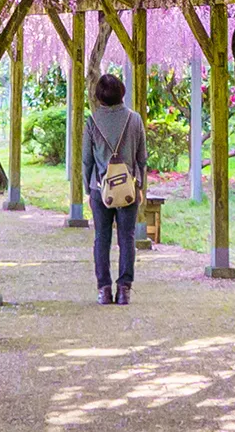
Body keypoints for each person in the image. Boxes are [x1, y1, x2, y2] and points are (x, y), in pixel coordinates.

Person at [81, 69, 147, 305]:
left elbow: (87, 159)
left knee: (102, 238)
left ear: (99, 97)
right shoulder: (134, 119)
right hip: (128, 189)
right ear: (122, 93)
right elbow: (142, 158)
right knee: (127, 238)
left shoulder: (92, 121)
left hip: (101, 189)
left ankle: (104, 290)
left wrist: (89, 189)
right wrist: (140, 185)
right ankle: (124, 289)